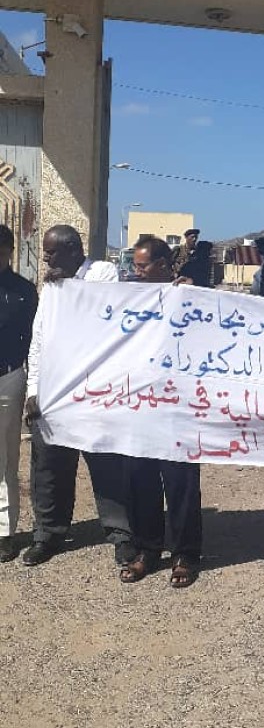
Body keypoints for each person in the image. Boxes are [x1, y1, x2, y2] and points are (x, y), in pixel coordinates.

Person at [23, 225, 134, 567]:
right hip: (55, 389)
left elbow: (100, 308)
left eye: (52, 252)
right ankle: (48, 532)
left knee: (105, 462)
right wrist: (33, 390)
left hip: (93, 389)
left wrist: (64, 284)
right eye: (45, 251)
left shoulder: (101, 273)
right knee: (49, 463)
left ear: (74, 250)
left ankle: (120, 532)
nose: (45, 258)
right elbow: (39, 339)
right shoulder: (53, 288)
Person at [120, 237, 202, 589]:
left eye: (142, 266)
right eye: (135, 266)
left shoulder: (191, 295)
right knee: (141, 479)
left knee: (181, 481)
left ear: (165, 265)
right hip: (139, 402)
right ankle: (148, 549)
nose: (136, 272)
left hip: (179, 404)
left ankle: (185, 553)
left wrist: (194, 293)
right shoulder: (126, 297)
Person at [0, 225, 38, 562]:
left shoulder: (24, 291)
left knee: (4, 459)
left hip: (7, 378)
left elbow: (36, 339)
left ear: (9, 250)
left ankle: (3, 533)